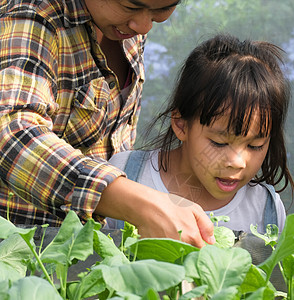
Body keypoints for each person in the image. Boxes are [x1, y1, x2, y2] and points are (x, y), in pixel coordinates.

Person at [0, 0, 216, 248]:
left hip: (92, 249)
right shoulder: (32, 18)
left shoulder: (125, 28)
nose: (144, 26)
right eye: (130, 6)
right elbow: (11, 134)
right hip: (22, 251)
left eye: (162, 9)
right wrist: (139, 203)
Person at [107, 34, 294, 235]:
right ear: (181, 124)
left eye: (255, 146)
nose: (237, 162)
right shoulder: (125, 176)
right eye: (219, 142)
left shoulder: (265, 209)